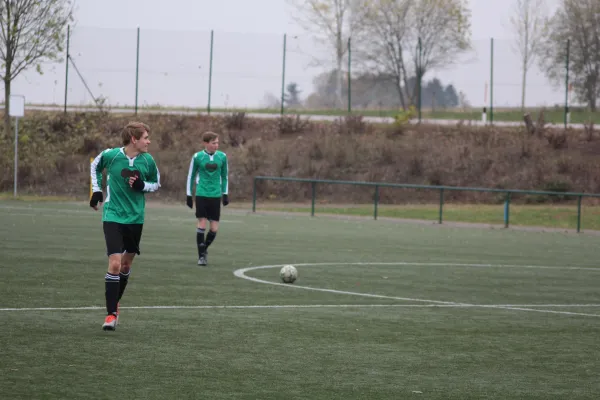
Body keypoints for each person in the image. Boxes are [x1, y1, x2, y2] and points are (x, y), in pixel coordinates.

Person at [89, 121, 160, 331]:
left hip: (135, 218)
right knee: (115, 264)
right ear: (134, 139)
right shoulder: (111, 156)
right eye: (146, 137)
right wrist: (96, 191)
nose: (149, 141)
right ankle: (111, 315)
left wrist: (142, 186)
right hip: (112, 216)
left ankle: (115, 304)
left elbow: (156, 183)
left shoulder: (148, 161)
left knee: (126, 266)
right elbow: (95, 166)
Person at [186, 131, 229, 266]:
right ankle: (201, 257)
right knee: (202, 223)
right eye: (213, 143)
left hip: (215, 195)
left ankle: (203, 249)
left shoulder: (222, 157)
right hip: (201, 194)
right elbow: (190, 176)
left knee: (214, 228)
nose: (216, 145)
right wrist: (188, 194)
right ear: (206, 143)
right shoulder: (198, 157)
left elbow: (225, 176)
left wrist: (225, 193)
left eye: (217, 143)